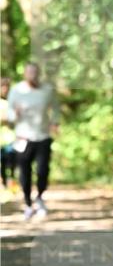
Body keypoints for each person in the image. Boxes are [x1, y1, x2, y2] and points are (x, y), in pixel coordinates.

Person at [6, 62, 60, 220]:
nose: (32, 75)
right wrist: (15, 114)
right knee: (25, 172)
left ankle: (40, 197)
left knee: (43, 170)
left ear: (39, 73)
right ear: (25, 74)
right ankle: (28, 204)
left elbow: (55, 108)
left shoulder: (47, 90)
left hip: (43, 136)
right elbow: (9, 115)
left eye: (35, 72)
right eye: (29, 72)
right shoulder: (16, 91)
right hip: (23, 138)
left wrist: (55, 122)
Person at [1, 77, 18, 190]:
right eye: (3, 87)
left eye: (7, 87)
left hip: (11, 138)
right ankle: (3, 183)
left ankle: (11, 181)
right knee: (1, 162)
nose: (5, 89)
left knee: (11, 161)